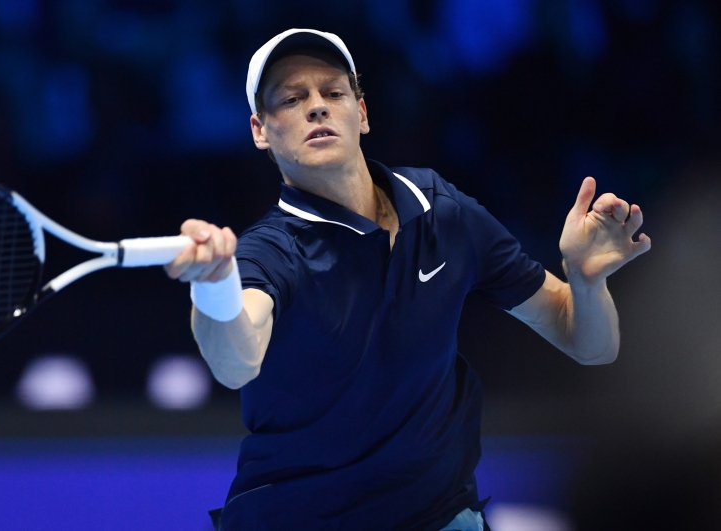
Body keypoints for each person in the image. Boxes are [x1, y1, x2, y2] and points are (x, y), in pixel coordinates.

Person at [164, 29, 651, 531]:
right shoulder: (270, 251)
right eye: (291, 98)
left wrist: (587, 284)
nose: (316, 107)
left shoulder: (442, 211)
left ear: (363, 113)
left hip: (436, 515)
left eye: (333, 92)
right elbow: (235, 361)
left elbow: (591, 344)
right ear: (260, 131)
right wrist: (214, 287)